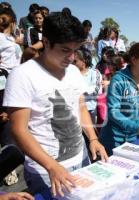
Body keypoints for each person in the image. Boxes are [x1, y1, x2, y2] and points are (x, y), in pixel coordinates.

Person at [3, 11, 108, 197]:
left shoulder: (74, 72)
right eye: (65, 50)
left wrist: (92, 138)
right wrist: (51, 166)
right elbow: (18, 130)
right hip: (45, 170)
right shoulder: (22, 75)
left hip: (81, 158)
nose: (71, 57)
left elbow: (81, 107)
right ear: (46, 42)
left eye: (75, 50)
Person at [73, 47, 102, 123]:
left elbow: (96, 90)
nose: (72, 63)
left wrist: (78, 92)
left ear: (84, 60)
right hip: (74, 110)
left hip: (90, 110)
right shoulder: (70, 73)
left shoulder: (95, 73)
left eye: (75, 61)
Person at [0, 7, 22, 73]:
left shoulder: (12, 38)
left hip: (14, 74)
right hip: (3, 75)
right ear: (13, 23)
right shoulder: (1, 37)